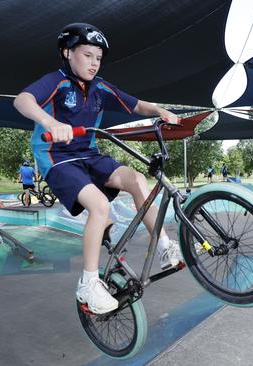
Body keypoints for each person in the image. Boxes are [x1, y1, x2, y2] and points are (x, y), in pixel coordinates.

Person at [13, 23, 182, 314]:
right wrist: (51, 123)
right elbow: (22, 100)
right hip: (57, 157)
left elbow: (136, 104)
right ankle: (88, 284)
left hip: (88, 153)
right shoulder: (56, 81)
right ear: (68, 53)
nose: (94, 63)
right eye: (88, 55)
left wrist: (159, 111)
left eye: (98, 58)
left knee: (137, 178)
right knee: (100, 206)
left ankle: (165, 247)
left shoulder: (100, 88)